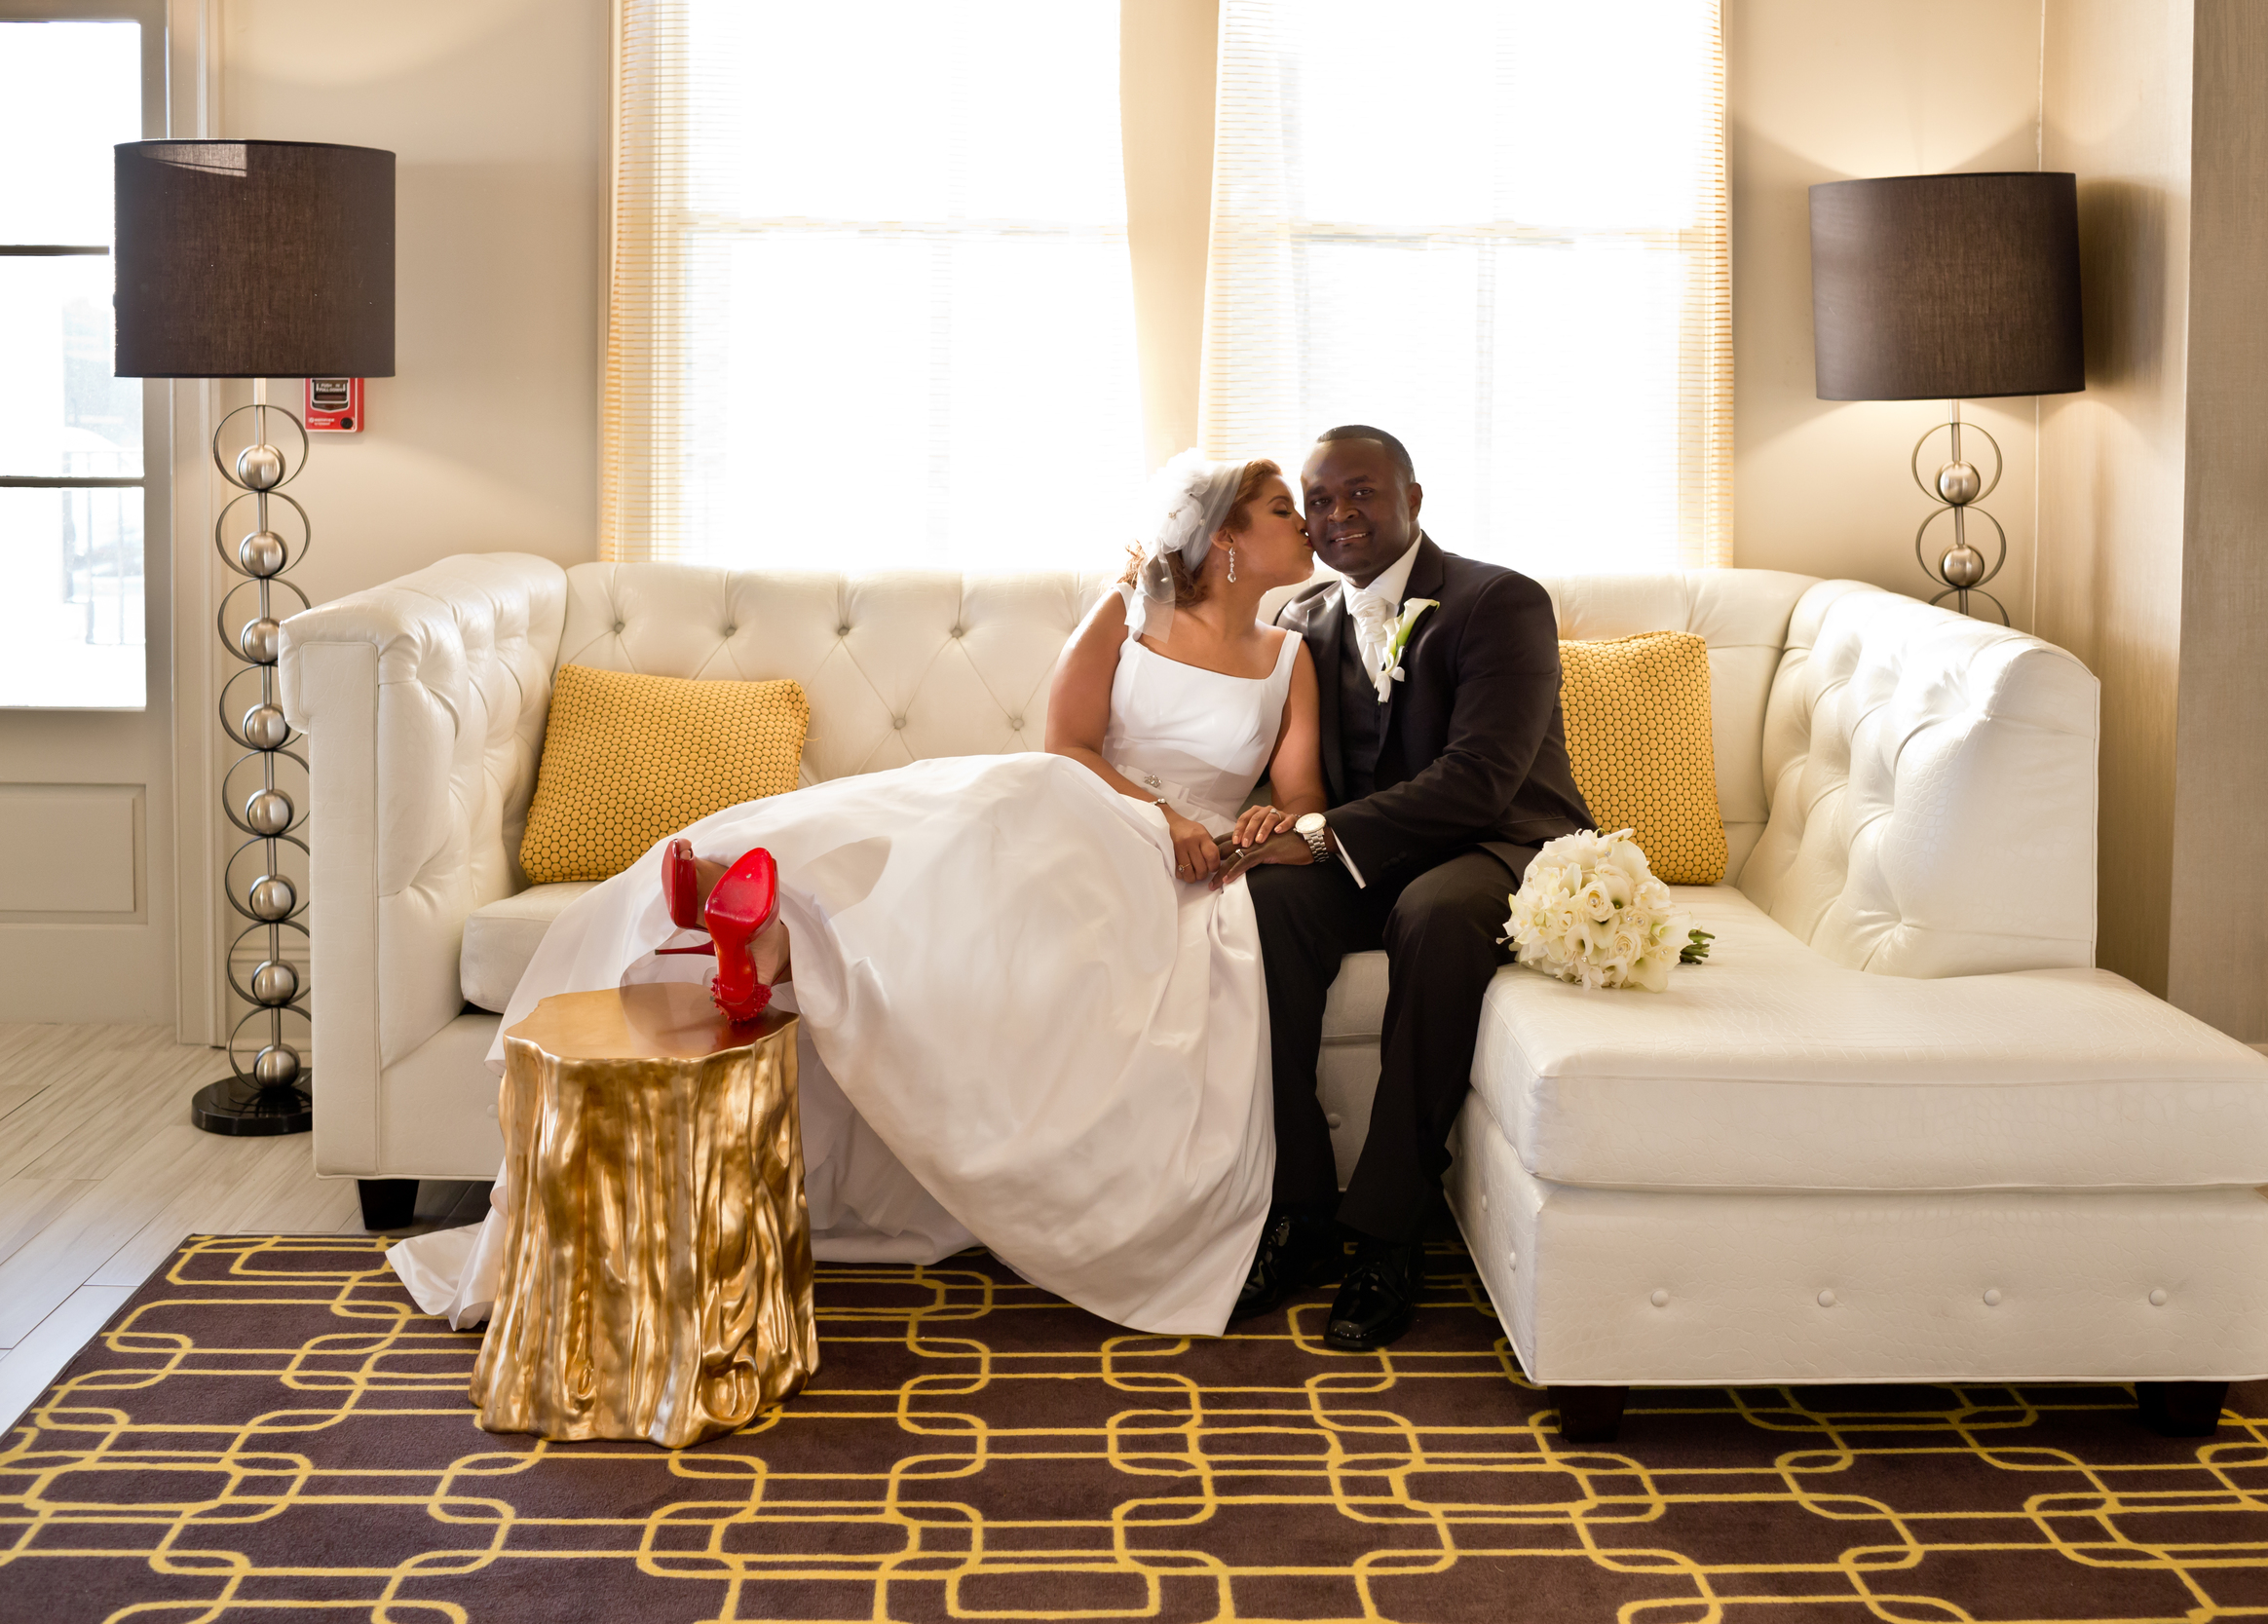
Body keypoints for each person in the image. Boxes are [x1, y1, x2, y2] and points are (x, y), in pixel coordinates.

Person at [388, 454, 1327, 1338]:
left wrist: (1256, 832)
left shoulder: (1291, 656)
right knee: (1002, 808)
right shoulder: (1128, 612)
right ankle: (773, 909)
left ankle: (783, 937)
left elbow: (1303, 804)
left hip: (1191, 873)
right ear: (1227, 536)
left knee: (1018, 893)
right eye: (1287, 508)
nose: (1311, 523)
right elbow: (1067, 742)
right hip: (1098, 810)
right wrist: (1160, 816)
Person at [1217, 425, 1596, 1351]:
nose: (1339, 514)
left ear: (1413, 499)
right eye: (1320, 501)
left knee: (1433, 915)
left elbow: (1482, 777)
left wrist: (1322, 835)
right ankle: (1298, 1207)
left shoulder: (1498, 600)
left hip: (1495, 843)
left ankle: (1389, 1228)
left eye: (1362, 493)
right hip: (1367, 855)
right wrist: (1273, 830)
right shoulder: (1301, 620)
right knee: (1264, 908)